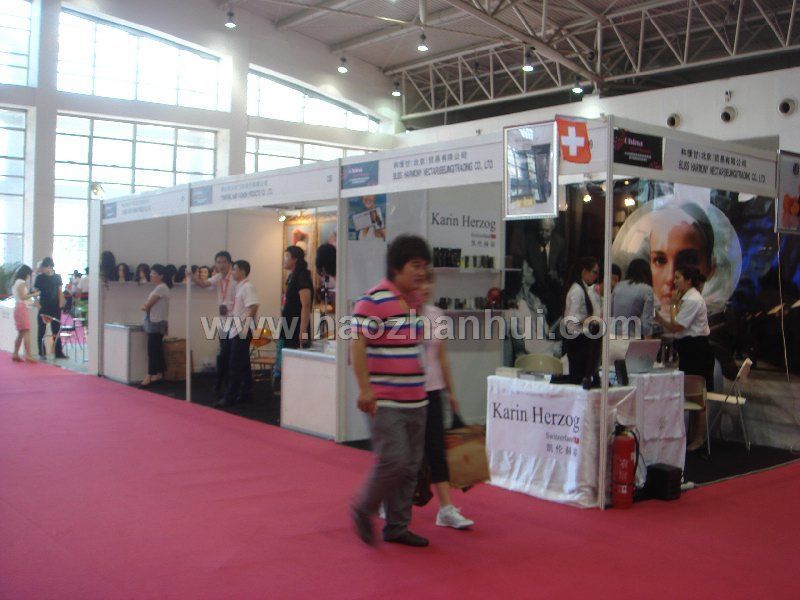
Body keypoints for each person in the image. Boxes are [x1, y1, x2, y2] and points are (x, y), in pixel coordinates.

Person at [350, 234, 431, 548]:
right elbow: (357, 345)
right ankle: (364, 508)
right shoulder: (373, 299)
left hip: (417, 399)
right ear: (397, 267)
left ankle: (397, 527)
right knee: (394, 460)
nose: (422, 272)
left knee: (410, 468)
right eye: (416, 265)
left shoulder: (415, 301)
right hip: (385, 400)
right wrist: (365, 389)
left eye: (424, 266)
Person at [419, 270, 474, 529]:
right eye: (420, 282)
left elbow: (441, 356)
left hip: (433, 390)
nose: (425, 287)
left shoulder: (436, 315)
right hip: (406, 391)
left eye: (429, 282)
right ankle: (390, 499)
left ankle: (445, 509)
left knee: (437, 449)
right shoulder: (399, 314)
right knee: (405, 452)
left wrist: (450, 392)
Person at [656, 265, 714, 451]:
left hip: (697, 350)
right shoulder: (686, 298)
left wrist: (673, 305)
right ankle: (691, 436)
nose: (674, 281)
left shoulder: (693, 299)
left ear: (688, 281)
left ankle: (699, 438)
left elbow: (678, 326)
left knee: (699, 397)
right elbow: (675, 327)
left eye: (678, 277)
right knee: (690, 394)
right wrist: (660, 319)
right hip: (688, 348)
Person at [193, 251, 237, 397]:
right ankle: (222, 383)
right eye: (218, 262)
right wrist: (192, 276)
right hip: (223, 322)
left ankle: (225, 383)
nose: (221, 265)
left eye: (224, 262)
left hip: (235, 321)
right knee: (224, 353)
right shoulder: (218, 277)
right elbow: (203, 284)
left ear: (229, 263)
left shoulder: (235, 278)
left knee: (229, 354)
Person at [217, 260, 259, 408]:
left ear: (242, 271)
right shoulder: (240, 287)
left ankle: (230, 396)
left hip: (241, 330)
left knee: (234, 364)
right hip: (237, 329)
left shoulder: (247, 287)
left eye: (234, 269)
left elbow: (254, 306)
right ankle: (246, 393)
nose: (232, 272)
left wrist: (245, 324)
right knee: (243, 363)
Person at [563, 257, 601, 385]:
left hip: (582, 339)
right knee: (577, 378)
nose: (596, 276)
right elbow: (571, 320)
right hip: (577, 341)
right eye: (594, 272)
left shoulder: (583, 289)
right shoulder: (577, 291)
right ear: (584, 272)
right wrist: (589, 319)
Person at [524, 217, 567, 325]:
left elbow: (563, 269)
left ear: (552, 230)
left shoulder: (559, 243)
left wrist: (557, 276)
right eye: (541, 230)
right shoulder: (530, 243)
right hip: (534, 292)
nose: (543, 234)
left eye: (547, 231)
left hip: (553, 291)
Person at [140, 264, 171, 387]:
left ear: (161, 276)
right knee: (157, 349)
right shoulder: (160, 288)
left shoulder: (161, 288)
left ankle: (150, 375)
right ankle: (158, 373)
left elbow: (147, 305)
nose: (151, 275)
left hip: (156, 322)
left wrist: (145, 306)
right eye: (151, 273)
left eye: (153, 273)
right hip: (157, 321)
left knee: (152, 350)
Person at [612, 258, 655, 338]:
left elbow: (610, 311)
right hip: (631, 337)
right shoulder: (647, 289)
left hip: (611, 335)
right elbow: (646, 324)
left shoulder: (618, 286)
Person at [34, 257, 66, 359]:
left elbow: (59, 291)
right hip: (44, 307)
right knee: (41, 330)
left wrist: (60, 304)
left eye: (44, 267)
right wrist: (38, 304)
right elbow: (35, 293)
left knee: (56, 330)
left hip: (55, 307)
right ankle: (42, 352)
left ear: (49, 266)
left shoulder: (57, 277)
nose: (43, 269)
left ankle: (58, 352)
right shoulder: (39, 278)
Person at [281, 246, 313, 349]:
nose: (284, 259)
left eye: (287, 256)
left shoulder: (302, 275)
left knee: (294, 353)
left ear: (295, 259)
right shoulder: (291, 276)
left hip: (297, 324)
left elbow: (306, 304)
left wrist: (303, 331)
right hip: (288, 322)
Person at [10, 265, 39, 363]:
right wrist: (34, 294)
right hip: (21, 308)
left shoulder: (16, 282)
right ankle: (28, 355)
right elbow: (23, 296)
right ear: (26, 274)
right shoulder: (21, 282)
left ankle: (15, 353)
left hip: (18, 307)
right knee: (26, 332)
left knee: (21, 333)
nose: (29, 277)